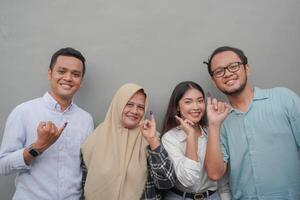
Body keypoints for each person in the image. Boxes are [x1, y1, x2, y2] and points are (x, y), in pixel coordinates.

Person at [204, 46, 300, 199]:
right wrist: (214, 125)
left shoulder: (284, 99)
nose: (228, 73)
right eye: (219, 71)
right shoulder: (220, 120)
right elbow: (215, 173)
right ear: (214, 81)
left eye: (233, 66)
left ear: (247, 68)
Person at [0, 47, 94, 200]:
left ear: (81, 81)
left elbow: (85, 167)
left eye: (76, 74)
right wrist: (38, 147)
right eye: (62, 71)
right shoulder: (23, 112)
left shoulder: (86, 119)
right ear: (50, 74)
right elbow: (3, 166)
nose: (68, 78)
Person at [81, 83, 176, 200]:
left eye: (141, 107)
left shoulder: (151, 138)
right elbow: (85, 185)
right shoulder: (96, 138)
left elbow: (167, 182)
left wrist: (152, 141)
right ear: (118, 104)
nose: (135, 111)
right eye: (129, 104)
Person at [161, 81, 231, 200]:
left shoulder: (213, 132)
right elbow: (188, 179)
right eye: (188, 102)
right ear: (177, 106)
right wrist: (190, 136)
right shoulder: (170, 138)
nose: (196, 107)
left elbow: (222, 181)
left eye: (200, 100)